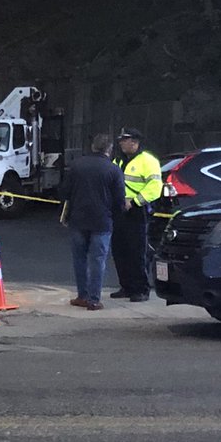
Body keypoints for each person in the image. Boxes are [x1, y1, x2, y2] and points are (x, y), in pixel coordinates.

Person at [58, 132, 125, 310]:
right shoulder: (113, 170)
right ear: (109, 150)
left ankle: (82, 295)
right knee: (98, 260)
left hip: (78, 219)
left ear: (92, 147)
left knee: (79, 259)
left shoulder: (76, 166)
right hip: (102, 221)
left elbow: (64, 192)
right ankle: (94, 299)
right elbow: (119, 200)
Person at [110, 127, 163, 302]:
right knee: (120, 250)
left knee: (137, 251)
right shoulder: (119, 160)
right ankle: (126, 286)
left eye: (124, 140)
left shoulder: (148, 161)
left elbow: (155, 188)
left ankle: (141, 289)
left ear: (135, 142)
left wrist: (135, 202)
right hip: (118, 210)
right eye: (120, 140)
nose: (121, 143)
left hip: (137, 211)